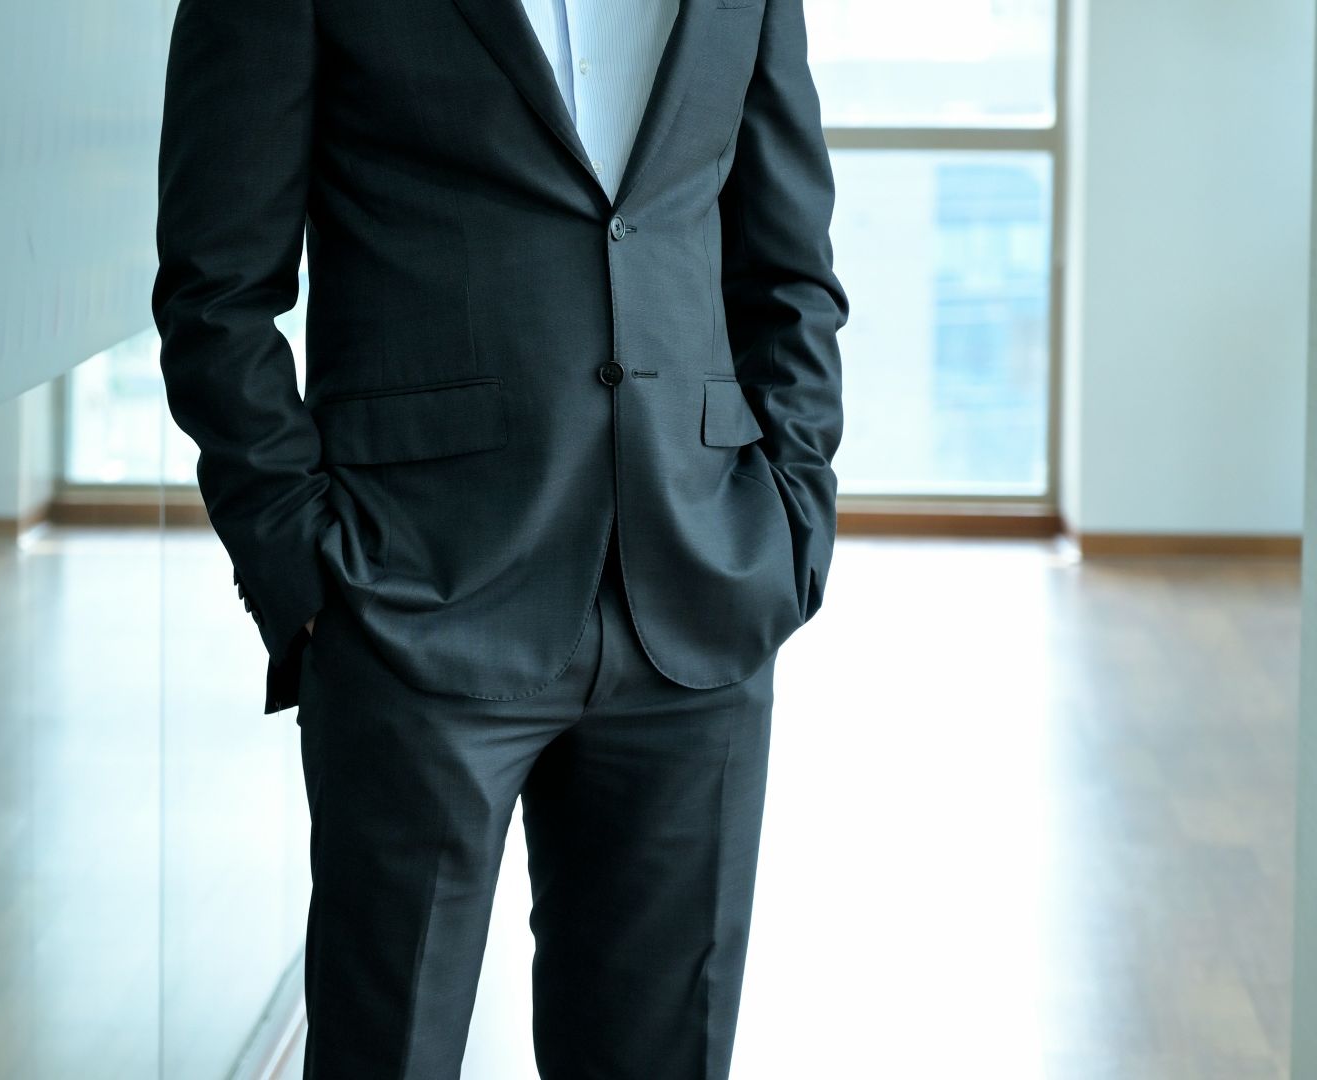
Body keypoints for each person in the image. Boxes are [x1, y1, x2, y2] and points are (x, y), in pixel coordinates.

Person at [153, 0, 846, 1074]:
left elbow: (787, 266)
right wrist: (300, 564)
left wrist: (791, 515)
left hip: (700, 590)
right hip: (414, 594)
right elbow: (215, 291)